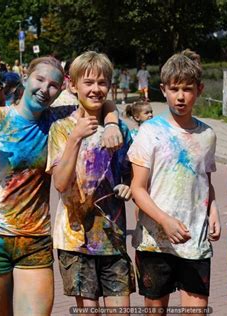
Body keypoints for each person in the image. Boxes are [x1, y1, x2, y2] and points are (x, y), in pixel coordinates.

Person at [0, 56, 123, 316]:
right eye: (39, 79)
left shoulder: (57, 117)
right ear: (25, 78)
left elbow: (101, 96)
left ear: (61, 90)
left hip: (35, 239)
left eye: (53, 85)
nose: (44, 89)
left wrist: (111, 122)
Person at [128, 49, 221, 313]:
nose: (181, 96)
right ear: (163, 90)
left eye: (188, 89)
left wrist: (212, 209)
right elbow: (137, 188)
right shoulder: (150, 132)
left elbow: (206, 180)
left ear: (199, 90)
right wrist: (164, 220)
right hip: (155, 240)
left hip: (195, 239)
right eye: (174, 88)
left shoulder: (208, 135)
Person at [47, 51, 135, 311]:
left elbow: (130, 171)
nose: (96, 89)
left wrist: (128, 184)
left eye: (102, 82)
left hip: (113, 237)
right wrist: (75, 138)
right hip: (75, 241)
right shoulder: (61, 128)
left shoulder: (120, 129)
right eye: (88, 82)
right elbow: (61, 184)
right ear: (73, 85)